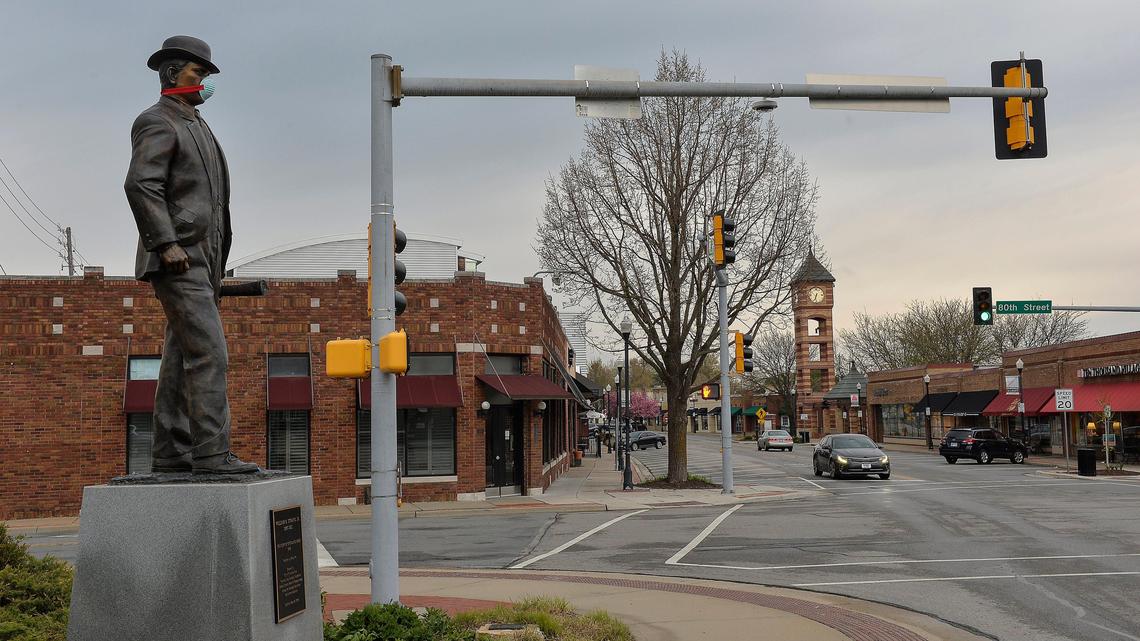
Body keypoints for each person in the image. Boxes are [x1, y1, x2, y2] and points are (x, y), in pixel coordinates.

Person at [125, 36, 258, 474]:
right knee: (209, 353)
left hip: (204, 257)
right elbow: (141, 184)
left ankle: (171, 452)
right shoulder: (157, 121)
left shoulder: (195, 124)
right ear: (171, 74)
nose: (203, 82)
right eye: (197, 74)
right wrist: (165, 243)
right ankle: (211, 453)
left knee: (181, 357)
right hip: (177, 257)